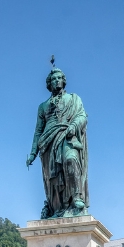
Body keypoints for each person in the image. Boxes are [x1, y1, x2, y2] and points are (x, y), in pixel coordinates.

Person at [27, 66, 90, 219]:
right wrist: (33, 152)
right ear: (49, 83)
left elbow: (82, 116)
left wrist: (73, 125)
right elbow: (38, 130)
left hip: (68, 136)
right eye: (53, 79)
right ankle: (57, 207)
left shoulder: (74, 99)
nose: (56, 81)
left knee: (70, 159)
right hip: (48, 142)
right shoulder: (43, 106)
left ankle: (76, 197)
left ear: (63, 80)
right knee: (53, 178)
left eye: (59, 78)